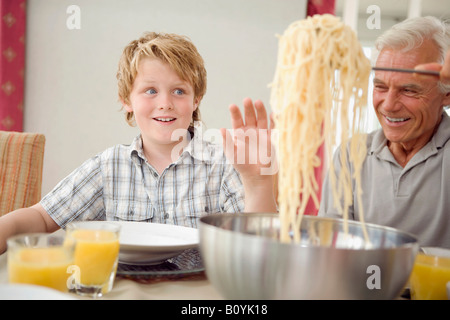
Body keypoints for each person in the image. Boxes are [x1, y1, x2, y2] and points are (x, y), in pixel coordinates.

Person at [0, 32, 277, 254]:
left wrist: (259, 184)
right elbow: (40, 218)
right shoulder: (107, 167)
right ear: (127, 100)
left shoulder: (223, 165)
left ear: (196, 100)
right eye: (150, 90)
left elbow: (260, 250)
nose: (165, 103)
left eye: (179, 91)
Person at [319, 16, 450, 248]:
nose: (388, 105)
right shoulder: (351, 155)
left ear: (446, 94)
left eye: (409, 90)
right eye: (380, 86)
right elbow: (330, 246)